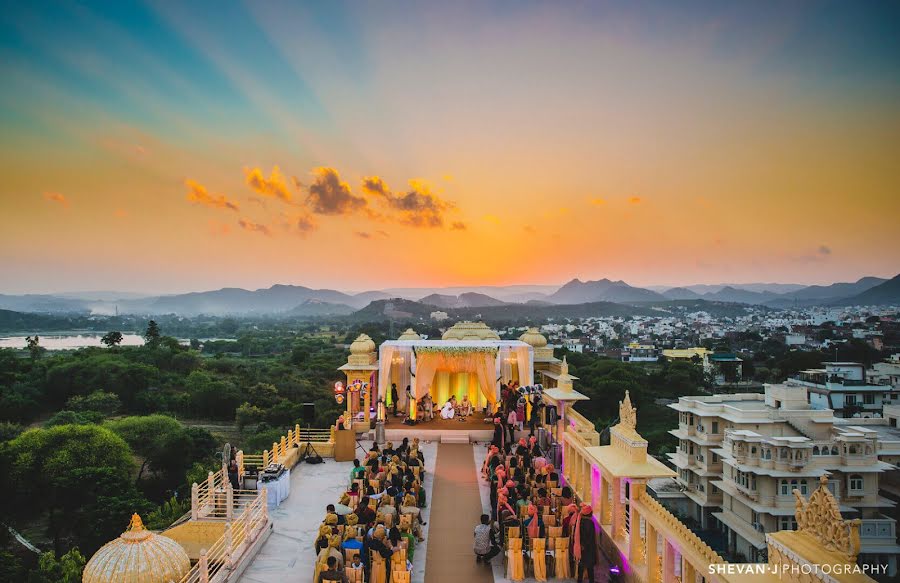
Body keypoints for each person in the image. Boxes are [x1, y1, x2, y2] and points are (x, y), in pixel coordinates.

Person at [574, 505, 598, 583]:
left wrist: (580, 545)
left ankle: (579, 581)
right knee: (590, 568)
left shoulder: (579, 521)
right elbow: (590, 537)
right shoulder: (590, 523)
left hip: (581, 547)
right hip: (588, 548)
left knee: (581, 567)